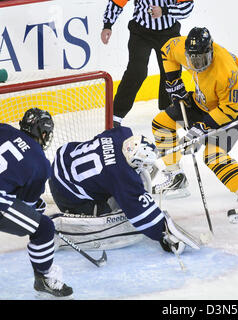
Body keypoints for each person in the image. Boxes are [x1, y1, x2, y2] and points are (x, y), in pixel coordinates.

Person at [151, 27, 238, 223]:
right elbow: (166, 50)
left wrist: (201, 128)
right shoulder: (183, 49)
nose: (196, 65)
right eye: (192, 59)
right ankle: (175, 177)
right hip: (202, 102)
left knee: (212, 156)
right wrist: (174, 81)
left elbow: (229, 110)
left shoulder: (226, 71)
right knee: (161, 122)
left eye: (201, 60)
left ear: (210, 52)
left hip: (233, 114)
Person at [48, 125, 200, 254]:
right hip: (66, 194)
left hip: (61, 162)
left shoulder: (121, 134)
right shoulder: (121, 175)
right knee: (109, 218)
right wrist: (163, 233)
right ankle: (60, 226)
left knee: (113, 180)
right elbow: (140, 212)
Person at [0, 108, 73, 299]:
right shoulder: (41, 163)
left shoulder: (5, 129)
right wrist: (36, 210)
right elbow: (26, 205)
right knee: (44, 228)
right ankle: (45, 278)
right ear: (43, 133)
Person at [101, 0, 195, 127]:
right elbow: (117, 2)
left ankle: (168, 112)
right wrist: (108, 24)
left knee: (170, 73)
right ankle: (115, 116)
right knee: (136, 72)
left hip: (168, 32)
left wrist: (164, 10)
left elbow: (186, 9)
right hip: (140, 32)